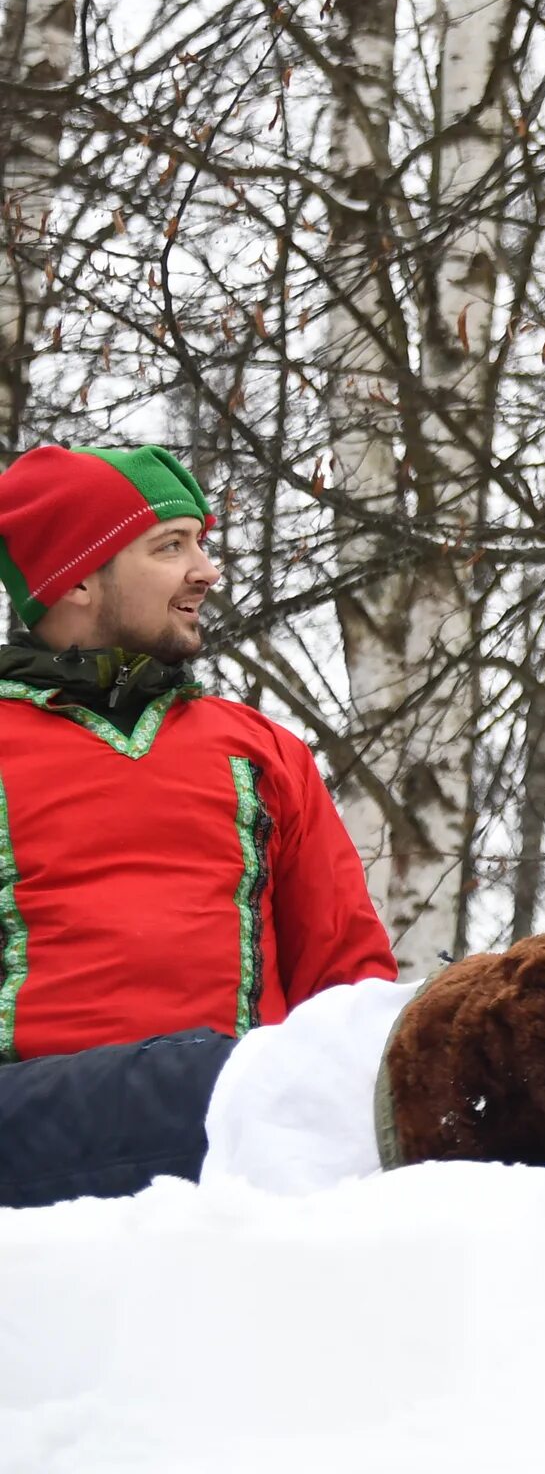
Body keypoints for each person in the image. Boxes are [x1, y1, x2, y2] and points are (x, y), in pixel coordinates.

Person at [0, 445, 396, 1206]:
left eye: (202, 543)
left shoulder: (262, 752)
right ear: (77, 578)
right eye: (170, 546)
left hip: (239, 1168)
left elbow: (347, 985)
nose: (207, 570)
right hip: (30, 1166)